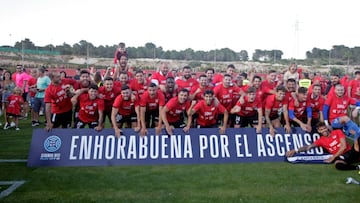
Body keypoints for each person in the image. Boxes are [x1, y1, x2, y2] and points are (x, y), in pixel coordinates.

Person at [286, 122, 360, 170]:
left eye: (324, 128)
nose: (324, 131)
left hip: (351, 152)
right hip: (342, 157)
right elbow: (308, 147)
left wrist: (333, 157)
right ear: (319, 131)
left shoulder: (337, 132)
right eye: (321, 130)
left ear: (327, 128)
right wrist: (294, 150)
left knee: (357, 142)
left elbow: (343, 146)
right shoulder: (321, 140)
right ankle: (357, 167)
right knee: (338, 164)